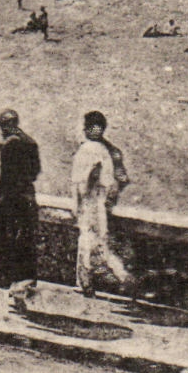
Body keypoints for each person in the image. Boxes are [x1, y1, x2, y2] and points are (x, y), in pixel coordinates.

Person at [70, 111, 133, 297]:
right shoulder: (110, 151)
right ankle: (87, 281)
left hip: (91, 202)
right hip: (102, 202)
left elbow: (85, 180)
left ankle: (120, 278)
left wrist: (78, 203)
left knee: (90, 243)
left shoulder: (88, 149)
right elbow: (122, 178)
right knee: (96, 242)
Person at [0, 109, 41, 313]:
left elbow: (5, 178)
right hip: (27, 198)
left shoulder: (10, 145)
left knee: (9, 245)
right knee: (26, 244)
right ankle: (22, 290)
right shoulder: (29, 142)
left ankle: (15, 291)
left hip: (12, 202)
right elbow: (35, 171)